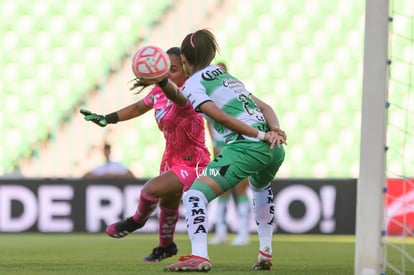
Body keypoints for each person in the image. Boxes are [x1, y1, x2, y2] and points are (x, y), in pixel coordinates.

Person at [136, 29, 286, 272]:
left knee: (194, 195)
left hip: (246, 147)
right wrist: (275, 130)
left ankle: (199, 256)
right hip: (274, 149)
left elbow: (218, 116)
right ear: (212, 54)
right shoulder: (228, 78)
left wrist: (259, 135)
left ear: (183, 59)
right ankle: (265, 252)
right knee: (260, 187)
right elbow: (266, 107)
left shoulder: (194, 83)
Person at [80, 47, 211, 262]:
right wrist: (107, 118)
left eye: (173, 70)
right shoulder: (159, 92)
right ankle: (165, 246)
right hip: (172, 158)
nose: (168, 74)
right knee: (168, 204)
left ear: (187, 72)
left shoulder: (189, 92)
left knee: (152, 189)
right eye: (166, 69)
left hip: (194, 162)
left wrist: (160, 80)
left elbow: (176, 96)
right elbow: (137, 108)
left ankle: (136, 221)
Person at [207, 62, 251, 246]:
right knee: (221, 189)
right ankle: (221, 231)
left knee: (241, 188)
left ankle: (243, 233)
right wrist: (214, 145)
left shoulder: (235, 95)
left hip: (237, 145)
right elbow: (208, 123)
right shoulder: (209, 97)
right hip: (220, 147)